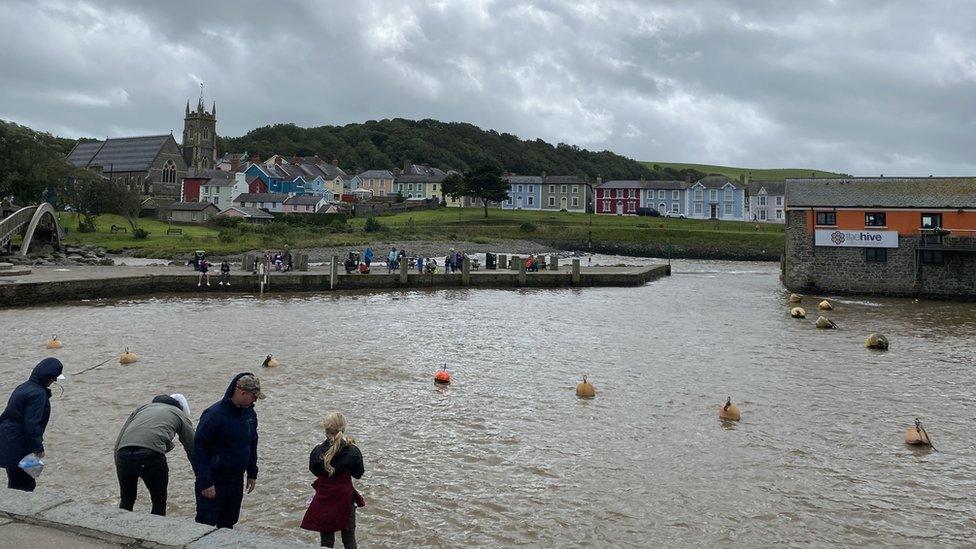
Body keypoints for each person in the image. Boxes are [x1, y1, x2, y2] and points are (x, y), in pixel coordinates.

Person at [192, 373, 264, 529]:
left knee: (228, 524)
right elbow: (199, 449)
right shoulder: (214, 414)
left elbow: (252, 443)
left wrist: (252, 472)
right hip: (214, 480)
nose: (255, 400)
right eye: (254, 397)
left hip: (236, 480)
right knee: (205, 525)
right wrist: (206, 482)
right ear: (242, 392)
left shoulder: (250, 414)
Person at [114, 394, 194, 516]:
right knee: (159, 502)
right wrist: (202, 474)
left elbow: (120, 440)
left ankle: (118, 529)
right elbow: (192, 445)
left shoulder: (142, 408)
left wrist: (119, 463)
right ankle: (156, 531)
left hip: (123, 454)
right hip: (150, 455)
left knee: (126, 500)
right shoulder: (178, 414)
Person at [301, 412, 365, 548]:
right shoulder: (352, 451)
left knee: (326, 541)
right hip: (344, 498)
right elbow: (358, 473)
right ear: (343, 429)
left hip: (324, 497)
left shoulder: (317, 451)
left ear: (326, 430)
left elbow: (314, 471)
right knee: (349, 540)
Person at [0, 357, 63, 492]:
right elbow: (32, 425)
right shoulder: (39, 394)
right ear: (50, 378)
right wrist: (38, 448)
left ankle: (12, 509)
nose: (54, 382)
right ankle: (19, 511)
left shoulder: (23, 387)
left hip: (8, 442)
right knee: (27, 485)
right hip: (22, 445)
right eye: (54, 378)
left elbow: (6, 415)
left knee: (14, 482)